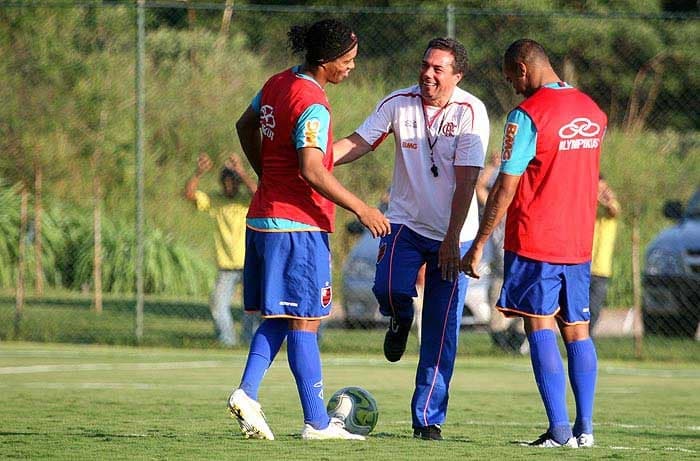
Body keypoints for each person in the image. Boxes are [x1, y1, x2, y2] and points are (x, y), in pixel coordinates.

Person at [227, 18, 390, 441]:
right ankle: (317, 423)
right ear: (326, 60)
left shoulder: (277, 83)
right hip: (296, 227)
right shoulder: (312, 102)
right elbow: (313, 169)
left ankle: (247, 393)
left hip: (263, 218)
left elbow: (244, 125)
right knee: (306, 320)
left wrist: (266, 171)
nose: (352, 67)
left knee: (282, 316)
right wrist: (362, 208)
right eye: (348, 60)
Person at [334, 37, 489, 441]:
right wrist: (315, 156)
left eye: (438, 68)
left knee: (440, 330)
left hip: (454, 232)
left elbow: (467, 181)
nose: (428, 73)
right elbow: (359, 142)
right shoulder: (398, 102)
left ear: (457, 75)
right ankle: (400, 318)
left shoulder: (472, 111)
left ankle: (427, 419)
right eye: (425, 65)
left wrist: (453, 240)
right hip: (405, 222)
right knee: (387, 288)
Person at [461, 38, 607, 448]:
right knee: (577, 329)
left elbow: (506, 187)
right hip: (579, 242)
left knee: (539, 324)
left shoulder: (526, 116)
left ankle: (559, 431)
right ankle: (586, 429)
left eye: (511, 79)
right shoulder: (593, 112)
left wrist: (479, 244)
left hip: (536, 238)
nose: (512, 87)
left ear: (523, 69)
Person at [184, 152, 258, 347]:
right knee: (218, 305)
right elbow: (190, 194)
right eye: (225, 182)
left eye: (232, 182)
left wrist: (241, 171)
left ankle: (250, 341)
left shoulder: (246, 201)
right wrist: (198, 173)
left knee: (252, 307)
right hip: (226, 265)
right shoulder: (215, 200)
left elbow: (258, 192)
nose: (228, 186)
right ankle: (228, 341)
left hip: (249, 263)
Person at [475, 151, 527, 354]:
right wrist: (491, 166)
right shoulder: (497, 208)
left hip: (521, 265)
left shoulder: (522, 207)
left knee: (523, 312)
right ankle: (502, 347)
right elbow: (479, 188)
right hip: (501, 267)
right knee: (496, 311)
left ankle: (517, 345)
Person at [589, 175, 620, 333]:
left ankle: (586, 342)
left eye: (603, 189)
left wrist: (604, 200)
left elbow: (613, 211)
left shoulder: (610, 206)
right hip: (582, 266)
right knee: (575, 310)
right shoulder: (586, 206)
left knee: (594, 311)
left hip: (601, 269)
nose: (600, 192)